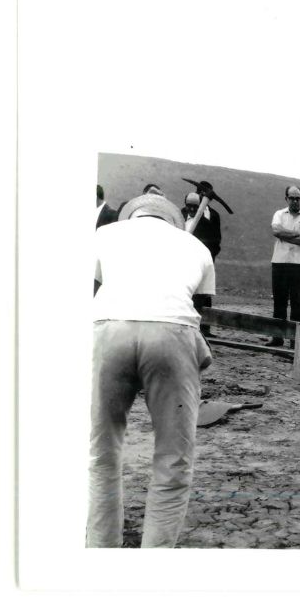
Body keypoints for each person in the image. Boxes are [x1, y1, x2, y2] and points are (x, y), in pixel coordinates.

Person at [87, 193, 216, 548]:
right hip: (173, 333)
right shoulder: (195, 245)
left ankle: (100, 549)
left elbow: (95, 283)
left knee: (102, 454)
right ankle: (154, 557)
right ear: (173, 220)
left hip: (108, 328)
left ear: (133, 216)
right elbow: (197, 301)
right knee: (174, 458)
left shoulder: (104, 234)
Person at [268, 184, 300, 347]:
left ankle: (295, 341)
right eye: (292, 198)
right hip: (280, 262)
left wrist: (285, 235)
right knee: (279, 302)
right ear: (286, 198)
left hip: (299, 265)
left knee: (297, 303)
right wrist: (297, 234)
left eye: (298, 198)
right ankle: (277, 337)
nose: (295, 201)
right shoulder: (279, 214)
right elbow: (276, 231)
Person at [182, 191, 222, 337]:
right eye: (189, 206)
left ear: (200, 206)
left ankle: (203, 330)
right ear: (185, 205)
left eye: (195, 206)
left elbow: (215, 245)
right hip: (180, 265)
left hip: (197, 266)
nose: (192, 209)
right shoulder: (178, 218)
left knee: (201, 297)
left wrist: (203, 259)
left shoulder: (206, 224)